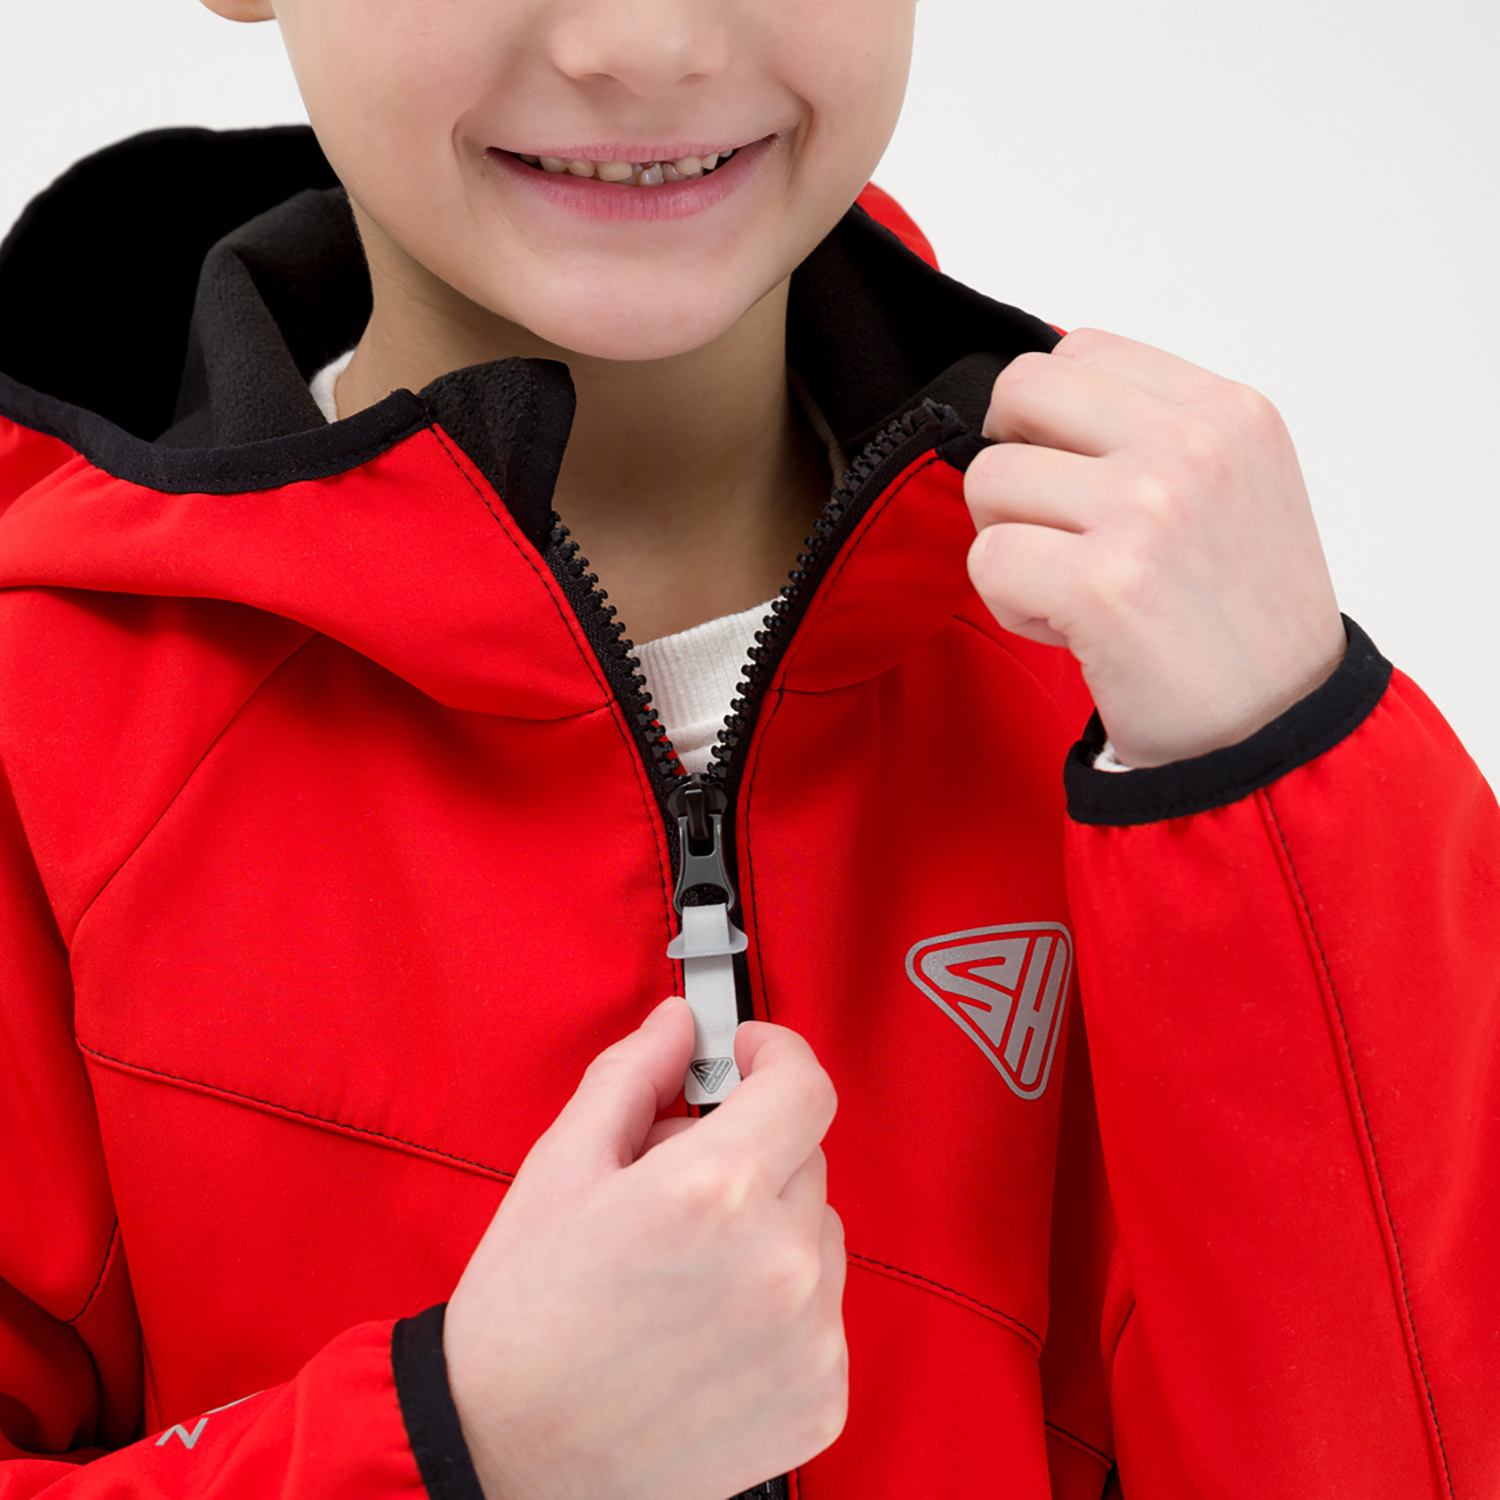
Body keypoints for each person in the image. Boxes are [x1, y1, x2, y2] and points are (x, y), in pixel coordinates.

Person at [0, 0, 1494, 1496]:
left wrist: (1284, 776)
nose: (649, 44)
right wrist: (464, 1443)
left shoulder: (1145, 682)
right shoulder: (44, 729)